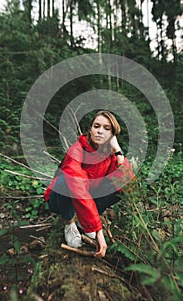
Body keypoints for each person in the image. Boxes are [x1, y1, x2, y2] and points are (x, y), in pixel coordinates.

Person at [44, 110, 134, 258]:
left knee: (118, 186)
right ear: (90, 130)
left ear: (113, 135)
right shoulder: (77, 150)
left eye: (106, 128)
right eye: (96, 126)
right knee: (66, 180)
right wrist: (98, 230)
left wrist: (118, 151)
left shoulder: (109, 155)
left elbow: (129, 186)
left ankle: (84, 221)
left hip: (87, 197)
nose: (100, 131)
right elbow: (77, 186)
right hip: (59, 198)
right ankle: (69, 223)